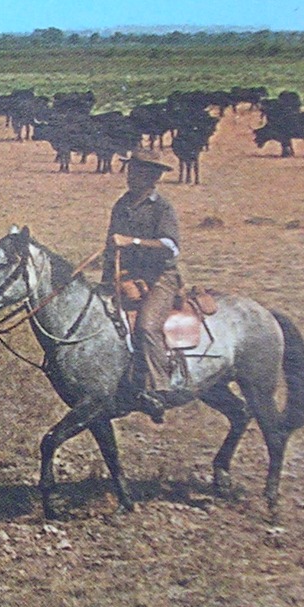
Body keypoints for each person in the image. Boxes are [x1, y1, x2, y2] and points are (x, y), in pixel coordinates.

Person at [101, 153, 181, 422]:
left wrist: (133, 242)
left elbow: (171, 246)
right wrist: (106, 281)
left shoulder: (162, 208)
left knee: (146, 325)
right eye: (130, 171)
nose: (130, 176)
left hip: (161, 277)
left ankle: (160, 390)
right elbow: (110, 246)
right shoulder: (121, 205)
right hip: (127, 276)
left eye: (137, 172)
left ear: (154, 177)